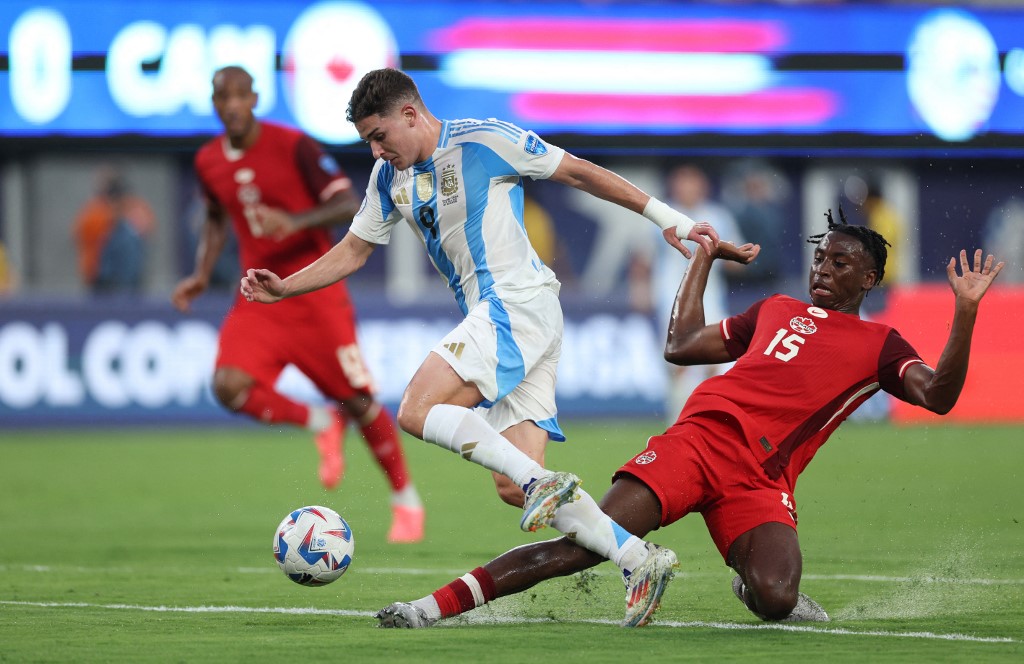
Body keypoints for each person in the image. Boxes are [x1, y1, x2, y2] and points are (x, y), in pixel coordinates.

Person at [372, 209, 1004, 629]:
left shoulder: (882, 345)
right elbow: (680, 345)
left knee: (776, 598)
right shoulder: (775, 307)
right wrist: (703, 257)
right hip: (698, 443)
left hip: (760, 479)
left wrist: (967, 313)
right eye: (820, 258)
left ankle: (749, 583)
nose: (823, 269)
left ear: (869, 278)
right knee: (582, 548)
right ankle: (429, 607)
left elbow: (939, 396)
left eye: (840, 264)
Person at [240, 68, 719, 548]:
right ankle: (636, 558)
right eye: (368, 142)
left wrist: (669, 219)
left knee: (417, 409)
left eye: (379, 136)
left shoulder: (485, 139)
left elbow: (577, 170)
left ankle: (542, 485)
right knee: (513, 483)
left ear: (410, 114)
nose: (376, 151)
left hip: (516, 302)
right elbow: (354, 249)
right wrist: (285, 287)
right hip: (513, 316)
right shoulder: (387, 177)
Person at [172, 65, 424, 543]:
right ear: (214, 104)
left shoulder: (293, 145)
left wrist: (295, 221)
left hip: (315, 293)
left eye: (240, 95)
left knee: (359, 400)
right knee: (228, 386)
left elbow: (348, 203)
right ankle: (320, 420)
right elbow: (215, 215)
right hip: (260, 294)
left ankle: (405, 499)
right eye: (222, 97)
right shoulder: (208, 160)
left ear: (254, 98)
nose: (231, 105)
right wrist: (201, 275)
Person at [631, 164, 744, 423]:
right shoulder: (662, 215)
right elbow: (642, 258)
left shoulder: (718, 216)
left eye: (692, 183)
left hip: (711, 300)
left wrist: (733, 255)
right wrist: (640, 289)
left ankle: (709, 418)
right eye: (683, 183)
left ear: (703, 187)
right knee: (678, 362)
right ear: (674, 187)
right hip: (672, 301)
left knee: (715, 361)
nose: (688, 189)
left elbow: (734, 261)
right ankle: (678, 420)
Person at [73, 167, 157, 294]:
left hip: (130, 281)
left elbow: (147, 229)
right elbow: (80, 235)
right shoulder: (94, 212)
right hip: (99, 278)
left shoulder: (134, 209)